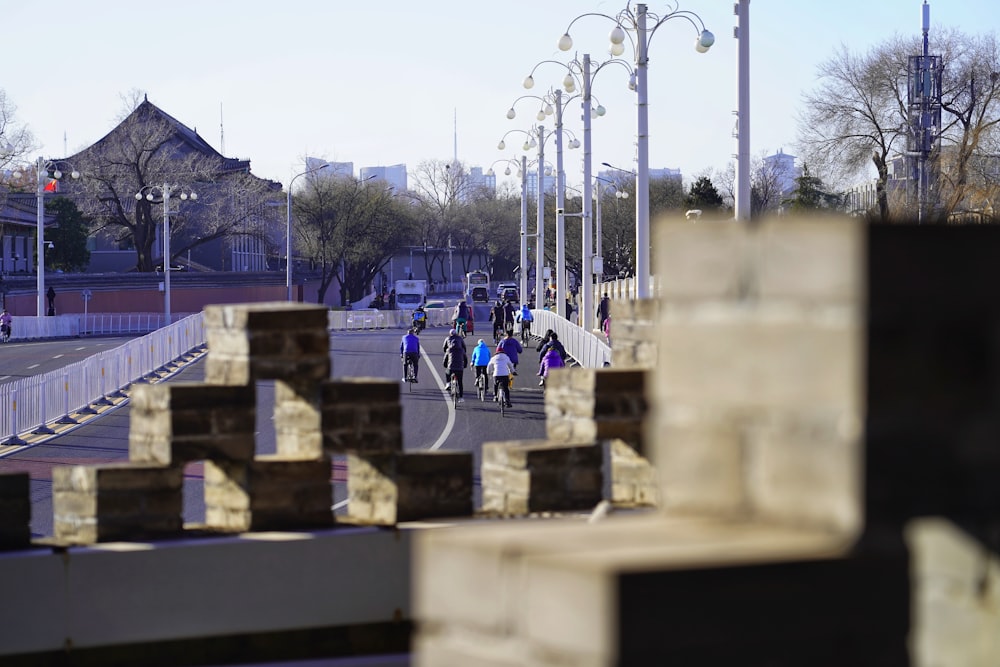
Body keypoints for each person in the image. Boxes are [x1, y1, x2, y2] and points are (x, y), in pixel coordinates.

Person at [442, 329, 468, 402]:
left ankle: (448, 383)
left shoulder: (448, 345)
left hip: (451, 366)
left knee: (447, 371)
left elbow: (444, 357)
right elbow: (465, 357)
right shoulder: (460, 340)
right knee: (460, 382)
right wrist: (464, 365)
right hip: (460, 367)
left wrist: (445, 364)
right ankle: (461, 397)